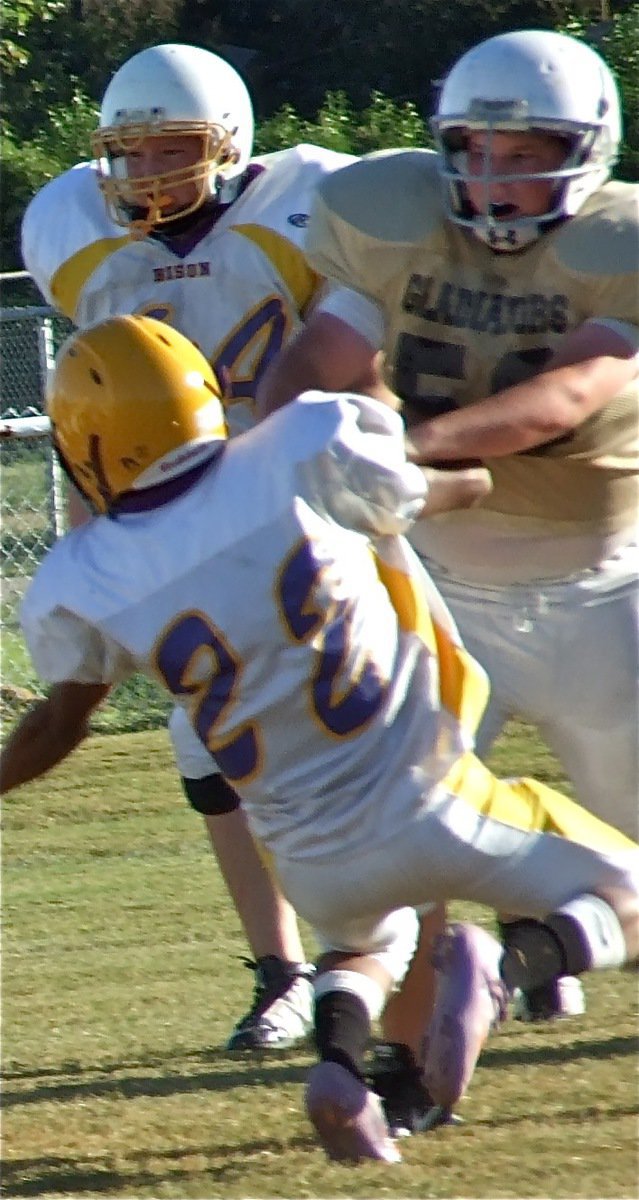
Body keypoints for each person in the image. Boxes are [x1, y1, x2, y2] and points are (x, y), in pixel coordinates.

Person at [1, 314, 637, 1167]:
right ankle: (510, 968)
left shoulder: (80, 577)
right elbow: (452, 488)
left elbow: (58, 724)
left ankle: (340, 1066)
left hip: (307, 857)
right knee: (629, 895)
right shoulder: (298, 445)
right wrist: (461, 473)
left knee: (365, 944)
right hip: (434, 793)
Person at [256, 26, 639, 1080]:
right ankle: (398, 1064)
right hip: (436, 586)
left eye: (525, 155)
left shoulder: (620, 244)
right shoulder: (392, 218)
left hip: (598, 589)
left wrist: (402, 450)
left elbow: (562, 398)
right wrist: (274, 452)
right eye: (477, 150)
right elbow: (316, 358)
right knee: (395, 834)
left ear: (586, 151)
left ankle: (521, 965)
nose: (495, 178)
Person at [20, 40, 387, 1054]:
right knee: (204, 743)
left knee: (377, 724)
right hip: (184, 525)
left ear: (228, 143)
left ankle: (423, 941)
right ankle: (283, 971)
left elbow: (358, 362)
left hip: (301, 507)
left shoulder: (303, 210)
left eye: (172, 149)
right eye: (130, 155)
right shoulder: (80, 240)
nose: (147, 174)